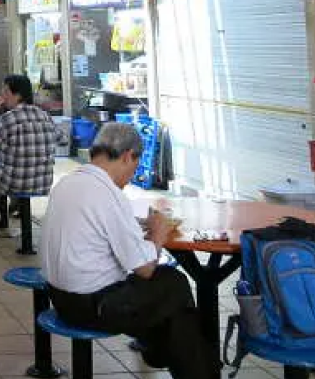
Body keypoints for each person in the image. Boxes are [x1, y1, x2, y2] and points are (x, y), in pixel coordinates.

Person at [41, 123, 211, 379]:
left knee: (170, 302)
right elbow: (144, 269)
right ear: (127, 155)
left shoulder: (68, 183)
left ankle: (165, 352)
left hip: (59, 297)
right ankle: (177, 360)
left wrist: (137, 230)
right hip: (92, 306)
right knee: (174, 284)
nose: (132, 174)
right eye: (134, 165)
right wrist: (158, 234)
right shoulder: (109, 194)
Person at [0, 74, 57, 245]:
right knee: (0, 168)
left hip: (12, 182)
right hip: (42, 182)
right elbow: (62, 138)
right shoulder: (45, 116)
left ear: (17, 95)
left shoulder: (9, 118)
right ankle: (4, 217)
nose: (1, 95)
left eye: (5, 91)